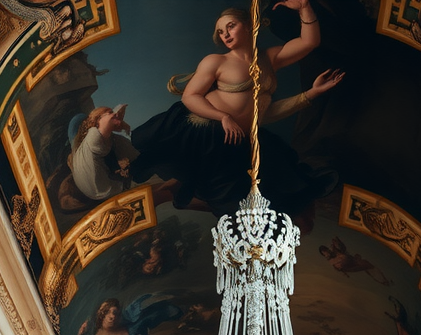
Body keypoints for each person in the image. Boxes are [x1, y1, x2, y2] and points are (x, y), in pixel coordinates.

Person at [131, 3, 343, 216]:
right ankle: (165, 195)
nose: (225, 34)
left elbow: (309, 42)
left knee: (266, 193)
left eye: (231, 26)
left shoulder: (269, 59)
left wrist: (304, 7)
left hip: (239, 138)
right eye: (221, 32)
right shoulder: (216, 61)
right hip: (206, 132)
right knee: (218, 196)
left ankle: (172, 194)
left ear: (250, 26)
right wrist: (223, 116)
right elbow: (190, 96)